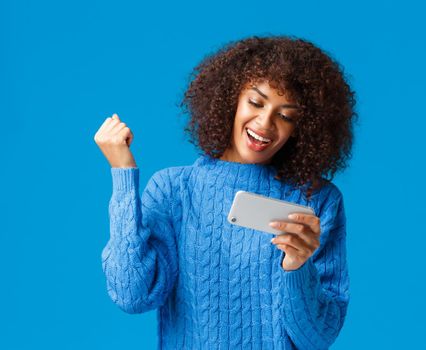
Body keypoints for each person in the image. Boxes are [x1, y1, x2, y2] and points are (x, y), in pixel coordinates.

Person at [94, 34, 357, 350]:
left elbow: (318, 337)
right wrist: (123, 173)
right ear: (231, 98)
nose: (264, 123)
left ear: (303, 128)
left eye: (285, 115)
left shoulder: (318, 201)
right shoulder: (174, 191)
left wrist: (297, 267)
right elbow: (130, 293)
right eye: (256, 102)